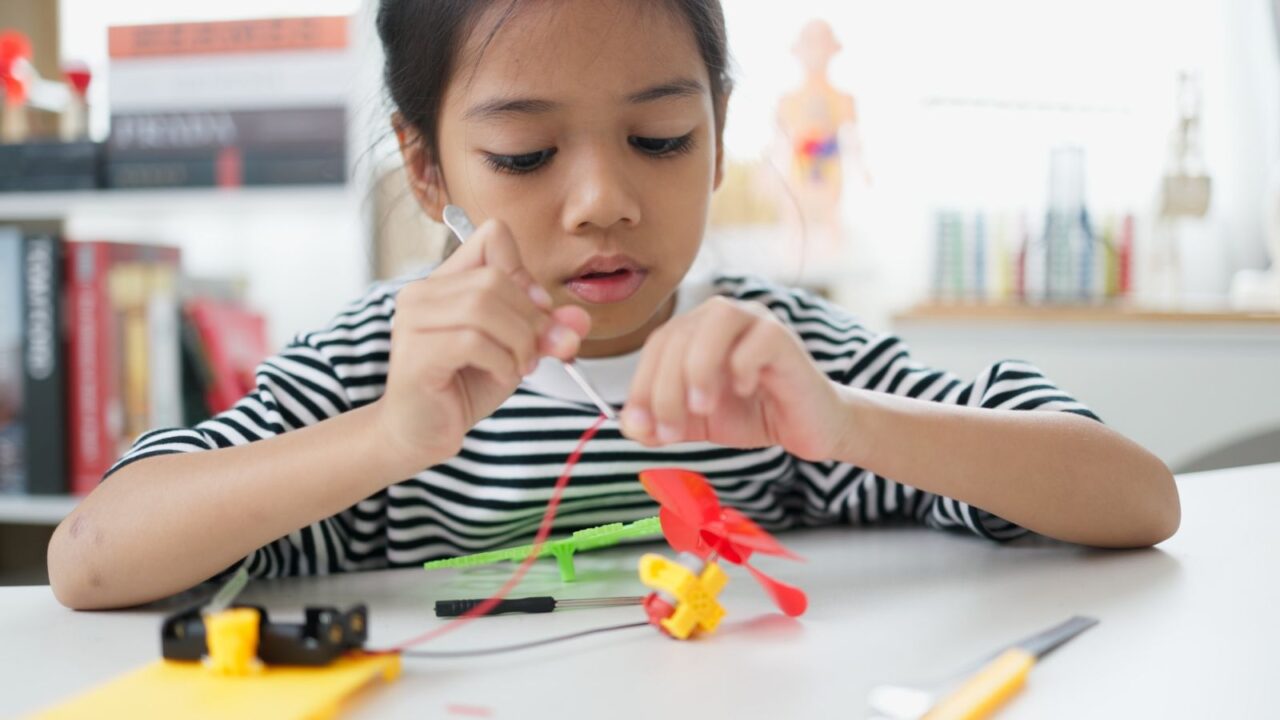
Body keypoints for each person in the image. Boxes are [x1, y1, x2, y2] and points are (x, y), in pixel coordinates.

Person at [49, 0, 1179, 610]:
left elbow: (1134, 497)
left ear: (720, 133)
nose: (601, 201)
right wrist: (386, 439)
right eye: (525, 153)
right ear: (428, 165)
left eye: (660, 139)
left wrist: (844, 425)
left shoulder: (778, 361)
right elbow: (92, 560)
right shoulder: (372, 368)